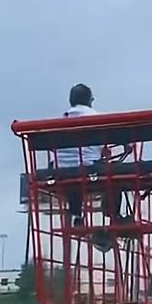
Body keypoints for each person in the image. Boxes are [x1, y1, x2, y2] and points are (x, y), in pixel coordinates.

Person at [56, 84, 129, 228]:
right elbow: (109, 138)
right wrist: (126, 145)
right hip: (88, 168)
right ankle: (115, 216)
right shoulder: (93, 117)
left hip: (63, 171)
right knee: (117, 174)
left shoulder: (61, 119)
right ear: (89, 100)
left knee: (74, 176)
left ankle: (76, 215)